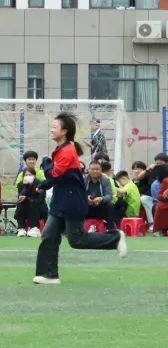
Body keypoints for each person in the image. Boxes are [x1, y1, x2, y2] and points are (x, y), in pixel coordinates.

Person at [33, 113, 126, 285]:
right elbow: (58, 178)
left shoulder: (68, 151)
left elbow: (54, 173)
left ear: (65, 131)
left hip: (72, 202)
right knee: (49, 235)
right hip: (60, 201)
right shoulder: (61, 149)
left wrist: (46, 163)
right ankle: (48, 274)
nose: (51, 130)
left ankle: (115, 238)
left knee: (77, 240)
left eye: (55, 127)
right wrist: (44, 184)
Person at [14, 151, 46, 236]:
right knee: (21, 204)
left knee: (33, 203)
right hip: (26, 200)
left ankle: (34, 228)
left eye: (33, 159)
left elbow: (43, 188)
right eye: (29, 159)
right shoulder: (21, 175)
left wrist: (34, 187)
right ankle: (21, 228)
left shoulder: (40, 173)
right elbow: (20, 189)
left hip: (38, 201)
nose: (31, 161)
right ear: (25, 161)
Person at [136, 154, 168, 231]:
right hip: (155, 197)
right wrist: (147, 169)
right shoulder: (153, 170)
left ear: (167, 163)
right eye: (157, 163)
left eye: (160, 164)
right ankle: (152, 223)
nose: (158, 165)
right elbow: (138, 177)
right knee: (144, 199)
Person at [84, 160, 115, 230]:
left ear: (101, 170)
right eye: (92, 169)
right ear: (88, 170)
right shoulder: (84, 179)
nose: (95, 171)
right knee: (75, 204)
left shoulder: (106, 180)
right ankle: (75, 229)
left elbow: (109, 196)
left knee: (110, 205)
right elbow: (79, 194)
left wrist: (101, 199)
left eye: (97, 169)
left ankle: (111, 230)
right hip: (87, 207)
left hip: (101, 207)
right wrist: (86, 198)